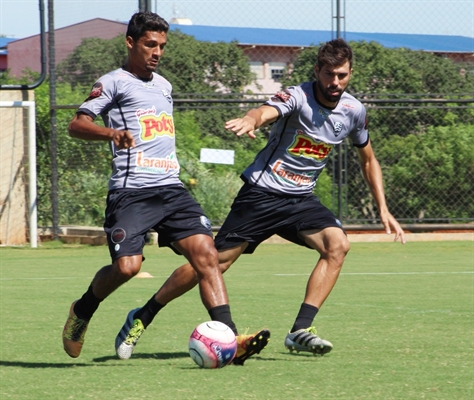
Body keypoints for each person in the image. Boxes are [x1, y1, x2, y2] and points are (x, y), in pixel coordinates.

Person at [115, 37, 405, 360]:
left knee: (338, 245)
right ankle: (144, 313)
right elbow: (265, 111)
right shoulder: (297, 96)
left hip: (300, 201)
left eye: (342, 75)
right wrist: (251, 120)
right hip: (262, 195)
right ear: (317, 71)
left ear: (350, 74)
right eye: (329, 74)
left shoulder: (354, 110)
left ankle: (300, 330)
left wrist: (383, 208)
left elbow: (369, 159)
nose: (335, 82)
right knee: (211, 264)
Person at [62, 11, 270, 364]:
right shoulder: (112, 82)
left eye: (161, 45)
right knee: (127, 267)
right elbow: (77, 124)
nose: (157, 52)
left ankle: (232, 341)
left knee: (207, 256)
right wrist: (111, 133)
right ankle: (82, 309)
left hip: (171, 189)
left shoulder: (164, 85)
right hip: (131, 192)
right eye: (149, 44)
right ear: (131, 43)